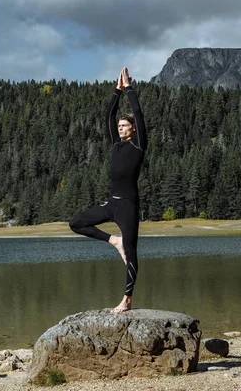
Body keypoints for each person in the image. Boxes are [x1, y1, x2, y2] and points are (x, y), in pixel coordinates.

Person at [69, 66, 147, 313]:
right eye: (120, 126)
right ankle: (114, 241)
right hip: (111, 203)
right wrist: (117, 89)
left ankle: (127, 300)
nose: (121, 128)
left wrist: (130, 89)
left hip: (127, 206)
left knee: (132, 254)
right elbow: (107, 116)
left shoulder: (138, 146)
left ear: (133, 129)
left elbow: (138, 112)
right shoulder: (115, 145)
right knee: (76, 223)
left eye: (125, 125)